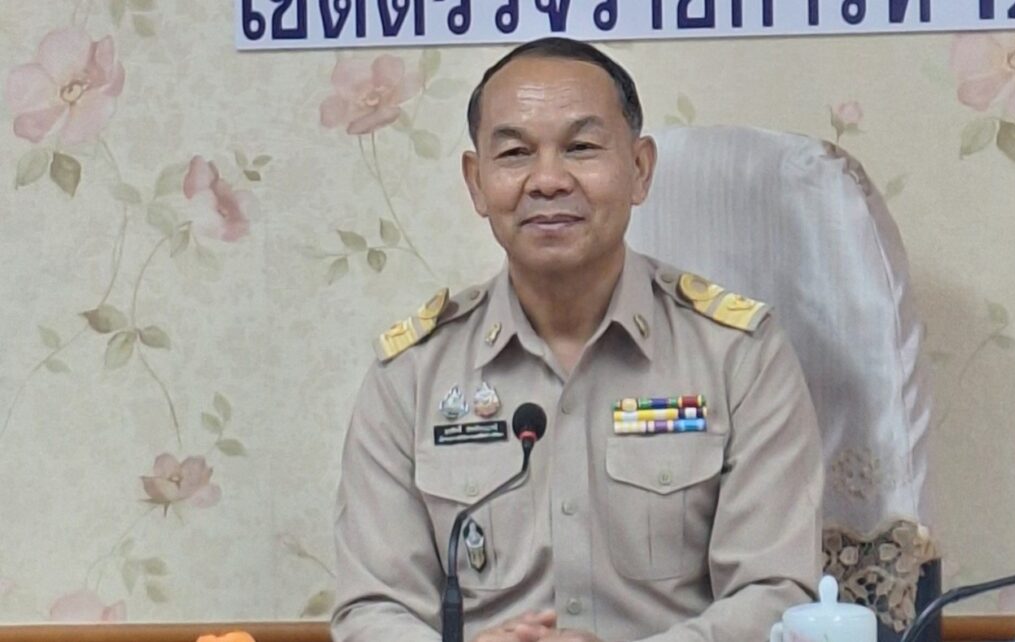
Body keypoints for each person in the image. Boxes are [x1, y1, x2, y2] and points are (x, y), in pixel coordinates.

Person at [331, 37, 823, 642]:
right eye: (515, 153)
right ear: (477, 182)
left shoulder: (739, 356)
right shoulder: (411, 375)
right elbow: (373, 608)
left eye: (581, 148)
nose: (547, 180)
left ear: (639, 169)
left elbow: (775, 592)